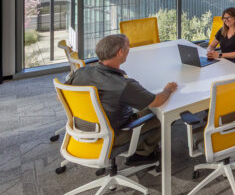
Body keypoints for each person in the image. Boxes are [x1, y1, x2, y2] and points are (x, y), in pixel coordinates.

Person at [66, 34, 177, 165]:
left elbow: (62, 95)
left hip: (82, 129)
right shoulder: (123, 85)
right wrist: (168, 89)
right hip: (114, 134)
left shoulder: (82, 71)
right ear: (120, 52)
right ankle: (142, 153)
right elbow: (157, 101)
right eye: (128, 47)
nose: (129, 49)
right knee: (166, 113)